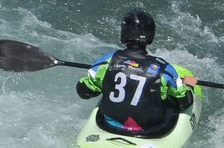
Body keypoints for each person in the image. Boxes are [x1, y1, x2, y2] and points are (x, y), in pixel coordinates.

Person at [76, 8, 197, 138]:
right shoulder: (164, 68)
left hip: (110, 125)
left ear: (124, 34)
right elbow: (185, 101)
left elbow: (84, 92)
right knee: (170, 99)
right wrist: (188, 85)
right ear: (151, 36)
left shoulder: (107, 62)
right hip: (149, 129)